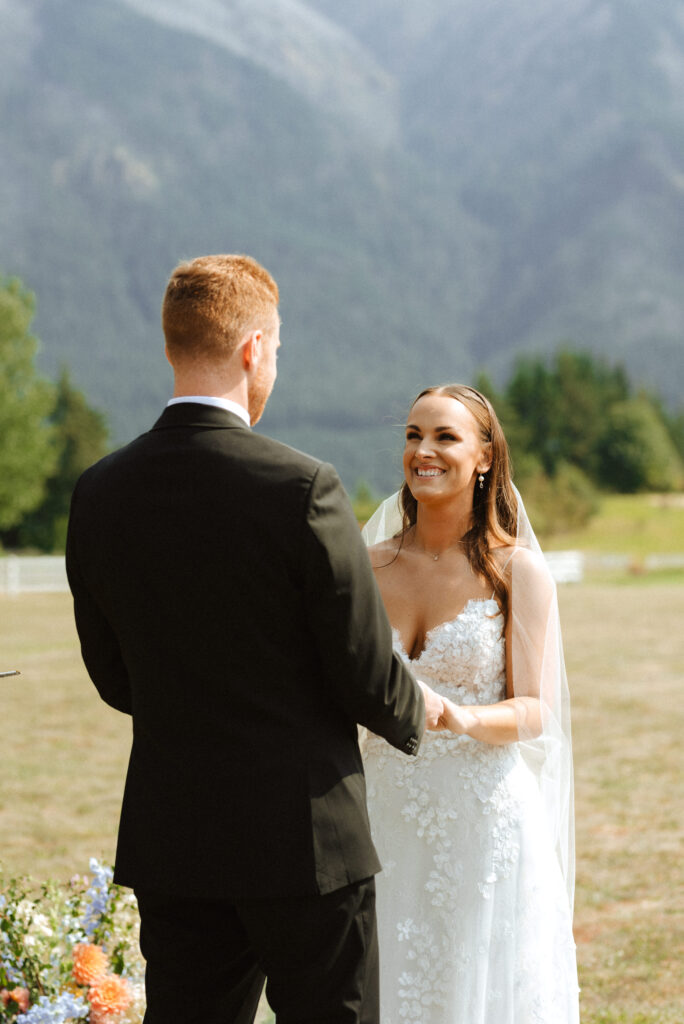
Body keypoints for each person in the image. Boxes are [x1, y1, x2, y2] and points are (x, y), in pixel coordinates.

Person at [66, 254, 445, 1024]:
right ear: (253, 349)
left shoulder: (100, 492)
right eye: (278, 348)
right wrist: (427, 710)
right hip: (305, 842)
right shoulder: (303, 488)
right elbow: (367, 671)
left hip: (175, 839)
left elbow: (112, 675)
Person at [361, 383, 580, 1024]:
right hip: (382, 813)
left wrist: (460, 716)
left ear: (485, 456)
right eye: (412, 435)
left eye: (444, 436)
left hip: (482, 823)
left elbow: (535, 709)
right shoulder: (366, 566)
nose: (422, 450)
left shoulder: (517, 571)